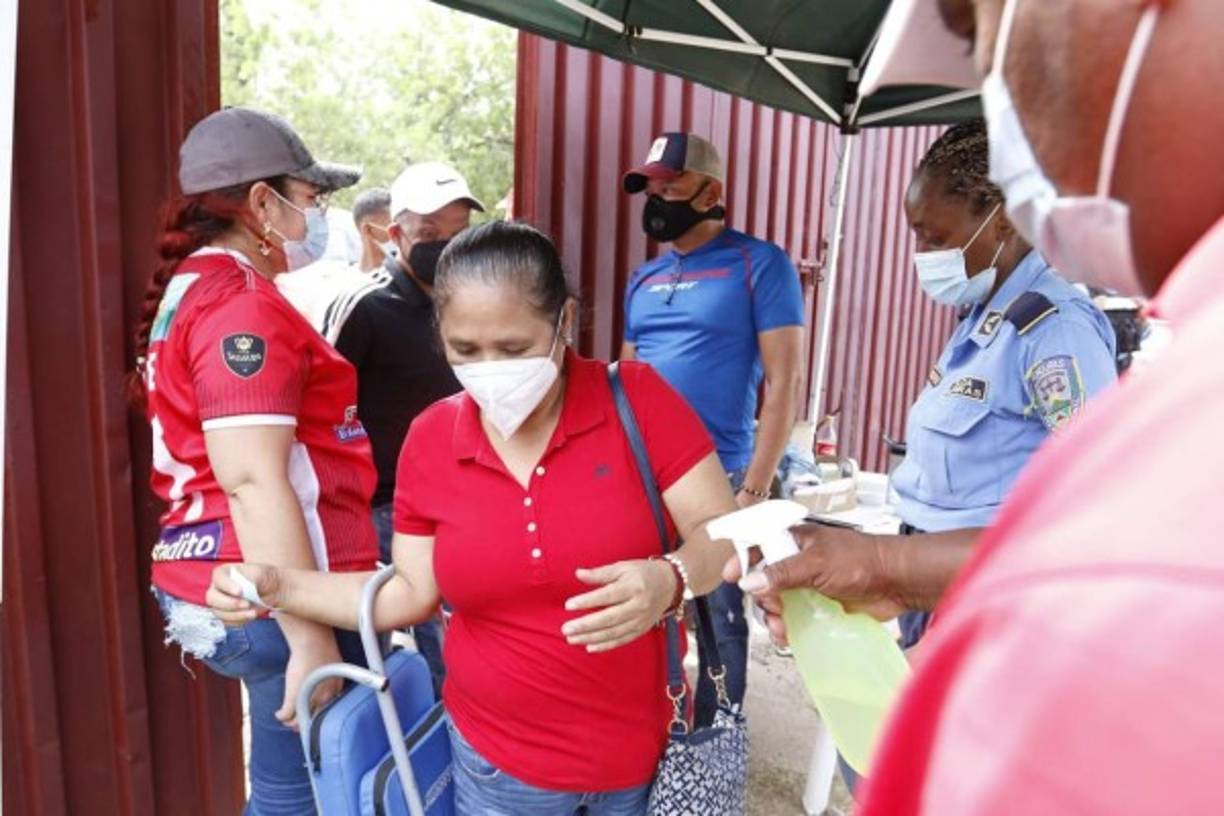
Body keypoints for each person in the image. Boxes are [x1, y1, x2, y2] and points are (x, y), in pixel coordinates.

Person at [753, 0, 1224, 811]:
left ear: (995, 218)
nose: (925, 259)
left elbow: (1089, 517)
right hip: (931, 584)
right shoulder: (980, 323)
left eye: (937, 238)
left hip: (988, 595)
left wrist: (897, 570)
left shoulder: (1055, 330)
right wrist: (884, 565)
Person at [207, 220, 739, 816]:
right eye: (465, 350)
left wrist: (671, 578)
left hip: (644, 760)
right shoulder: (433, 437)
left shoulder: (637, 401)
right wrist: (281, 586)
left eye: (514, 349)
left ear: (564, 322)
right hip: (496, 767)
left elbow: (722, 534)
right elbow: (409, 593)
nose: (492, 369)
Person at [131, 106, 378, 814]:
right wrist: (311, 636)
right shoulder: (241, 307)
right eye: (310, 198)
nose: (317, 217)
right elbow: (251, 477)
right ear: (263, 203)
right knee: (316, 789)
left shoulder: (191, 290)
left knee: (284, 780)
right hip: (270, 590)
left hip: (223, 575)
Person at [620, 131, 805, 727]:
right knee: (645, 605)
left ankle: (718, 734)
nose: (658, 198)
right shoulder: (643, 279)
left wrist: (755, 488)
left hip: (720, 474)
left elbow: (783, 384)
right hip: (640, 473)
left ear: (710, 192)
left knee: (720, 617)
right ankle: (653, 725)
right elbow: (625, 380)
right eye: (651, 187)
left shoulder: (759, 263)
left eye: (671, 186)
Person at [331, 161, 482, 694]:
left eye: (459, 233)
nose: (446, 246)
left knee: (464, 640)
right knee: (414, 645)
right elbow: (322, 409)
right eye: (429, 234)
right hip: (389, 509)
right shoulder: (365, 307)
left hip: (468, 497)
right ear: (395, 235)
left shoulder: (473, 301)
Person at [276, 188, 394, 342]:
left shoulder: (404, 283)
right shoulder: (340, 292)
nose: (398, 234)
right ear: (368, 230)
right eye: (391, 229)